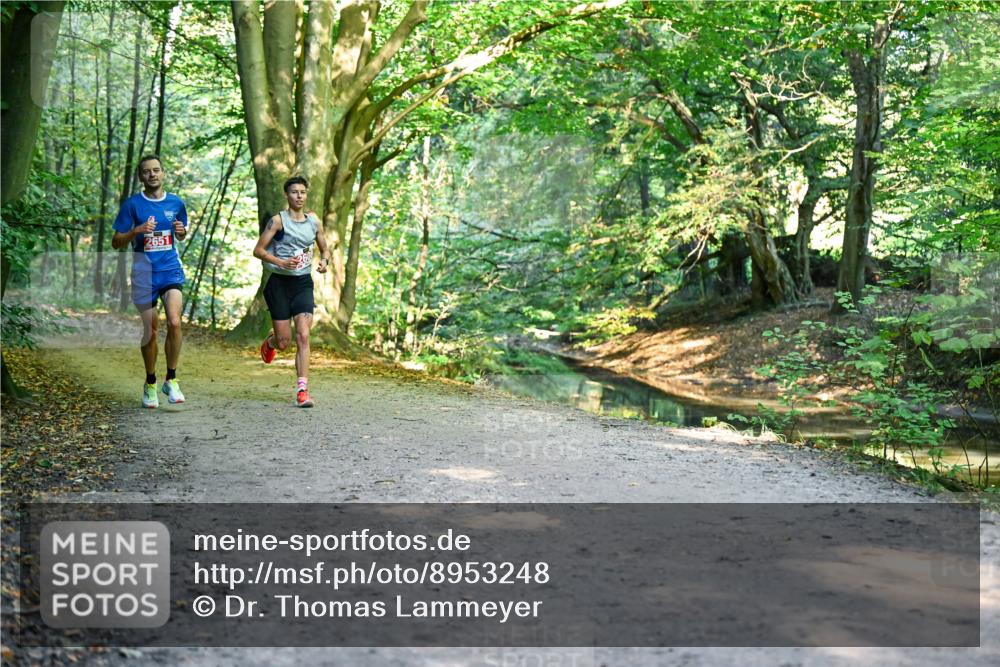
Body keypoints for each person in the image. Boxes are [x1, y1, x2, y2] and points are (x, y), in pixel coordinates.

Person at [111, 154, 188, 408]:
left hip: (170, 270)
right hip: (144, 275)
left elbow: (181, 233)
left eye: (156, 170)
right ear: (141, 177)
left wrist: (181, 233)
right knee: (152, 330)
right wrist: (136, 231)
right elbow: (116, 241)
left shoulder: (176, 203)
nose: (152, 175)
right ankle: (151, 382)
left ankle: (172, 379)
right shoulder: (132, 205)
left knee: (175, 322)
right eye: (147, 171)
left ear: (163, 173)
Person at [253, 175, 331, 407]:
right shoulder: (278, 221)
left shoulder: (314, 221)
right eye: (294, 192)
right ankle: (271, 342)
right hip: (278, 284)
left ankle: (302, 391)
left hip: (302, 284)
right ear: (287, 195)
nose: (299, 196)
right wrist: (279, 261)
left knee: (304, 335)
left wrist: (324, 262)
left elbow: (325, 249)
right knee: (284, 342)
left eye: (302, 192)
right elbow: (258, 250)